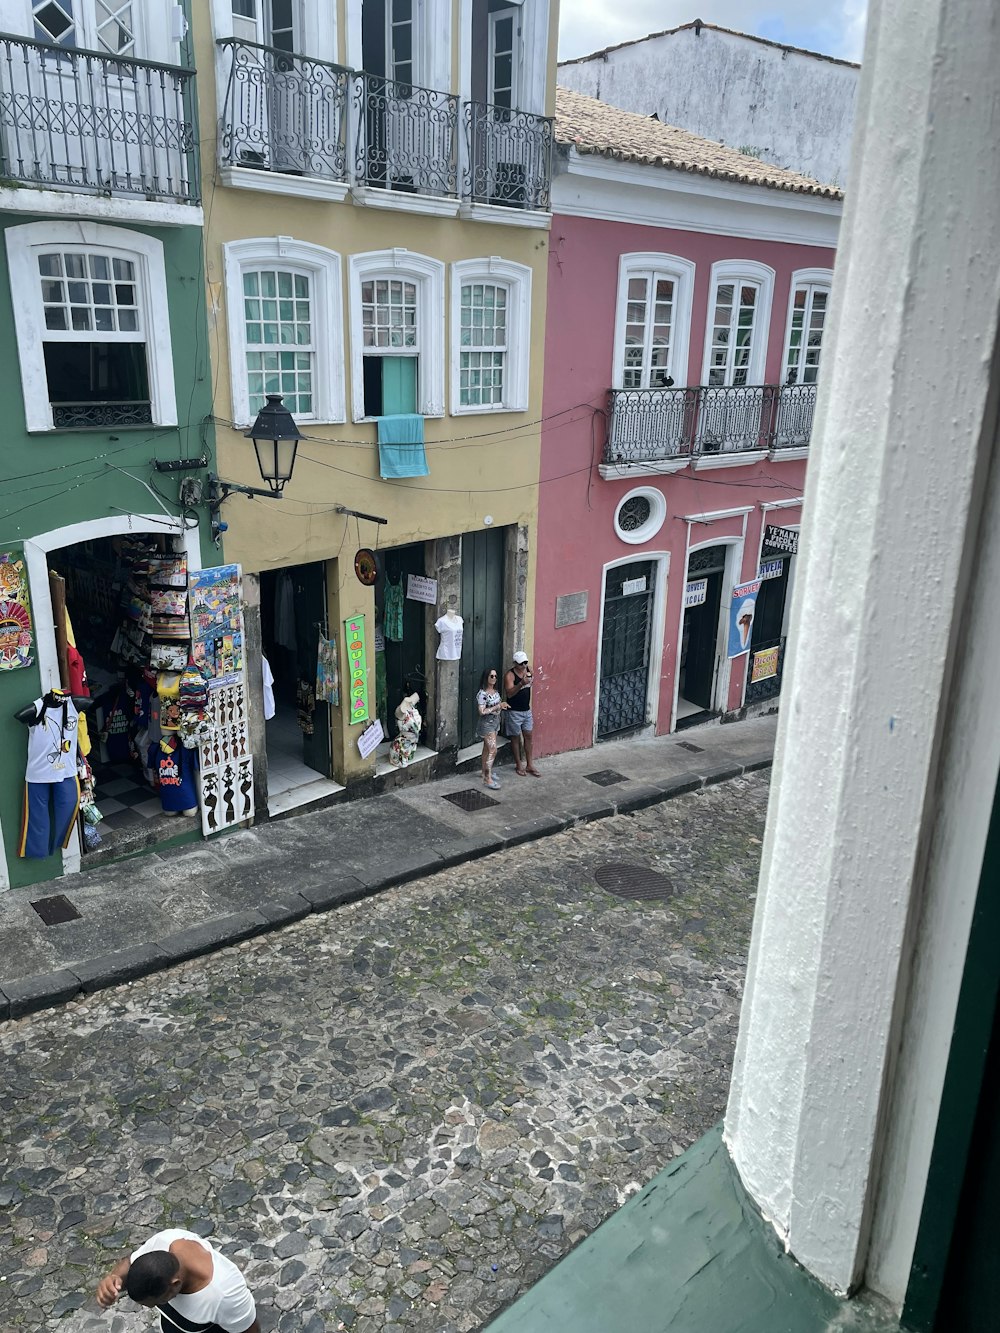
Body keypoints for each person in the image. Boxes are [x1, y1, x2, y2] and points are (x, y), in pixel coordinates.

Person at [95, 1228, 260, 1333]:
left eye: (157, 1303)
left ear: (175, 1284)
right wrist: (115, 1278)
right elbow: (130, 1263)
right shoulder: (164, 1241)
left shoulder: (225, 1295)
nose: (154, 1308)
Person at [503, 651, 540, 777]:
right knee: (515, 738)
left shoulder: (529, 669)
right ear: (515, 663)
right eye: (521, 664)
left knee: (528, 736)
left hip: (526, 710)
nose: (524, 665)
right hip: (514, 711)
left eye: (525, 662)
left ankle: (530, 764)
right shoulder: (510, 675)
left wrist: (530, 680)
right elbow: (509, 694)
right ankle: (519, 764)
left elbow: (532, 681)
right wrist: (521, 684)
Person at [476, 668, 508, 790]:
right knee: (492, 750)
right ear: (486, 677)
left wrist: (500, 707)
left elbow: (495, 707)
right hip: (487, 724)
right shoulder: (482, 694)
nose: (494, 678)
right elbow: (482, 711)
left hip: (495, 721)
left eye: (495, 676)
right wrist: (498, 706)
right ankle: (487, 778)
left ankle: (484, 772)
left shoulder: (495, 691)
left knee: (487, 748)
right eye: (491, 676)